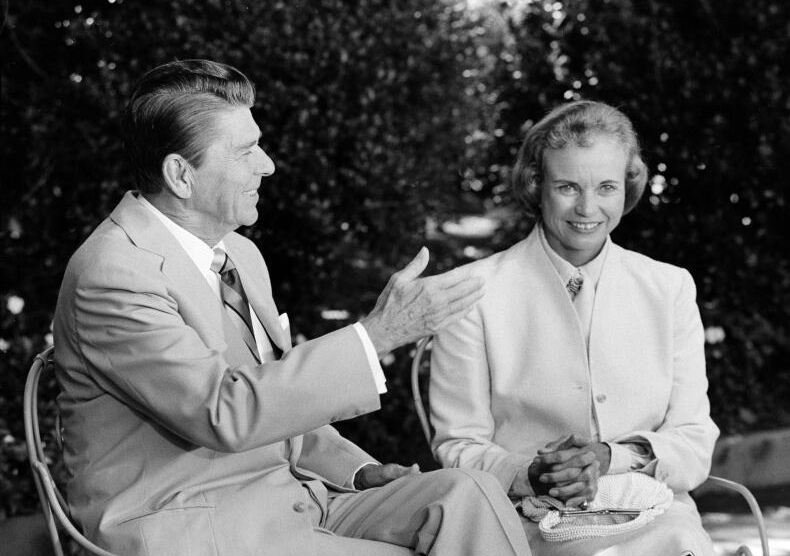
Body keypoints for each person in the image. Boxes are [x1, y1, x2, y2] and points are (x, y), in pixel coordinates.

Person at [52, 59, 532, 556]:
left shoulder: (239, 253)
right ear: (180, 174)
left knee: (469, 493)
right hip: (194, 525)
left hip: (291, 501)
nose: (267, 165)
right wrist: (379, 335)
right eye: (245, 151)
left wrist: (358, 470)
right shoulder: (114, 276)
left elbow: (276, 399)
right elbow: (225, 412)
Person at [429, 101, 720, 555]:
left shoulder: (669, 287)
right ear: (535, 184)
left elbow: (694, 440)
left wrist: (611, 458)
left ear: (628, 185)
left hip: (657, 517)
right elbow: (458, 444)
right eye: (567, 186)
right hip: (529, 521)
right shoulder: (473, 293)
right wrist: (532, 474)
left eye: (606, 186)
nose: (588, 207)